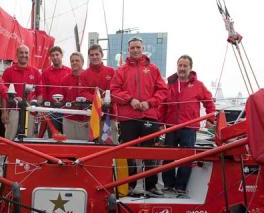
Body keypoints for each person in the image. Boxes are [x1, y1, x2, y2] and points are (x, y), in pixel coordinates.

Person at [110, 37, 168, 196]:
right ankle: (128, 186)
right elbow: (114, 92)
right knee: (128, 152)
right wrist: (130, 100)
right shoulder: (121, 70)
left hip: (149, 116)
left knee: (150, 153)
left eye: (138, 47)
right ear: (128, 50)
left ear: (142, 48)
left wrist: (149, 103)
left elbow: (163, 91)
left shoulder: (154, 69)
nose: (135, 50)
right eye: (132, 48)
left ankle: (150, 187)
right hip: (128, 118)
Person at [159, 55, 215, 195]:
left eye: (185, 66)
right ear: (177, 67)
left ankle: (181, 186)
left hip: (189, 127)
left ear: (190, 68)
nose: (182, 68)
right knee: (168, 156)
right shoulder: (169, 84)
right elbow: (162, 106)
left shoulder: (198, 85)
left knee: (187, 158)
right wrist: (160, 123)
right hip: (171, 126)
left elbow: (209, 103)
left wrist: (211, 119)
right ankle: (168, 185)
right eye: (180, 65)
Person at [2, 45, 42, 140]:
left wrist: (37, 108)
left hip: (29, 112)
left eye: (26, 53)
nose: (24, 55)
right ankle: (7, 155)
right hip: (13, 111)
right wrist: (4, 112)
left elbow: (40, 94)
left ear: (29, 55)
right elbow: (3, 94)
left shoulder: (36, 72)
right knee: (9, 138)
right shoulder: (8, 71)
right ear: (16, 54)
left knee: (29, 139)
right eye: (21, 52)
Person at [79, 44, 117, 143]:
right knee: (92, 146)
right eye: (92, 55)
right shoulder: (84, 74)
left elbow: (116, 90)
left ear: (102, 55)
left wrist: (107, 99)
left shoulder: (111, 71)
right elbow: (82, 92)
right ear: (89, 57)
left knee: (111, 146)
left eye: (97, 54)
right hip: (92, 117)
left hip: (110, 115)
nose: (94, 57)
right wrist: (98, 100)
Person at [41, 46, 71, 135]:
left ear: (61, 55)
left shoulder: (69, 71)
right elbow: (43, 90)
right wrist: (44, 108)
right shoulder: (46, 72)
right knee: (53, 136)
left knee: (67, 136)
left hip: (66, 109)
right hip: (51, 109)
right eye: (52, 55)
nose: (55, 57)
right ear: (50, 58)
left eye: (57, 54)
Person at [61, 52, 89, 140]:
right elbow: (62, 99)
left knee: (85, 147)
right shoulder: (65, 80)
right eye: (72, 61)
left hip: (86, 119)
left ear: (82, 62)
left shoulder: (89, 77)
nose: (74, 62)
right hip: (69, 119)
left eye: (77, 60)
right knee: (69, 146)